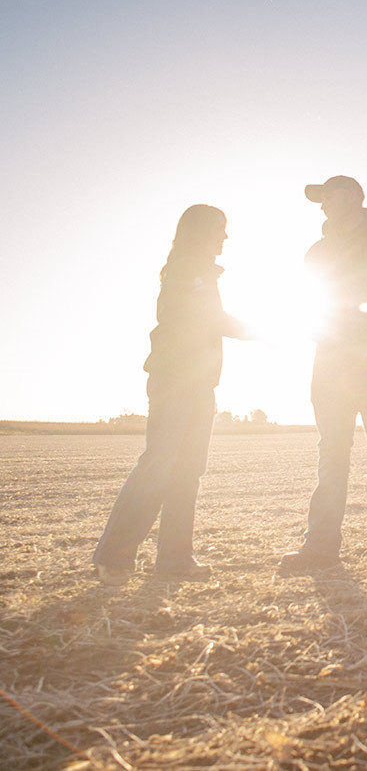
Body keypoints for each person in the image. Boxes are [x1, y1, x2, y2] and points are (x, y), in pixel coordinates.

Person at [92, 204, 246, 585]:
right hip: (176, 380)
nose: (225, 237)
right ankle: (114, 557)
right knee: (159, 464)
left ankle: (175, 559)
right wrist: (266, 331)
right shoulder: (187, 270)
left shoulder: (202, 273)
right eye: (219, 229)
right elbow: (207, 320)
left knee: (187, 472)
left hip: (199, 384)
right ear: (200, 231)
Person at [279, 175, 367, 574]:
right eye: (320, 199)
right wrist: (320, 336)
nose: (323, 205)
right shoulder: (317, 252)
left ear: (352, 198)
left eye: (328, 196)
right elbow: (307, 301)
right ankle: (320, 548)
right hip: (330, 363)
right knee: (332, 454)